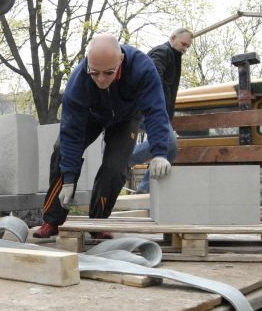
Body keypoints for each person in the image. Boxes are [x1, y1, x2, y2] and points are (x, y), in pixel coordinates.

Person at [33, 34, 173, 239]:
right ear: (88, 64)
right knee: (62, 151)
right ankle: (51, 220)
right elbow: (71, 132)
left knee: (115, 168)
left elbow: (156, 111)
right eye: (95, 72)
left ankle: (98, 221)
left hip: (127, 118)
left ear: (121, 62)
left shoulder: (142, 68)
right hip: (91, 115)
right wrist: (69, 178)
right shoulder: (78, 81)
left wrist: (160, 152)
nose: (101, 79)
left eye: (108, 73)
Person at [129, 28, 193, 193]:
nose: (185, 48)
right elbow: (152, 78)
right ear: (172, 38)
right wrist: (158, 110)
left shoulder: (174, 56)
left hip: (160, 112)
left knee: (169, 150)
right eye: (183, 44)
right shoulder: (162, 51)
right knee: (168, 143)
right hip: (147, 109)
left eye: (188, 46)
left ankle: (145, 190)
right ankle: (123, 160)